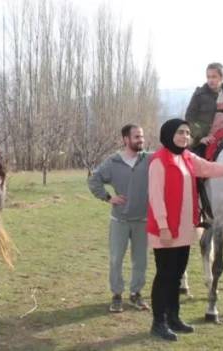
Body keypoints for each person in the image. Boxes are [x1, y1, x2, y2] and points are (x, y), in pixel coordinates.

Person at [146, 119, 223, 341]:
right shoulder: (158, 161)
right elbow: (156, 197)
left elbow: (214, 168)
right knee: (164, 276)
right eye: (180, 132)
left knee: (177, 274)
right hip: (166, 230)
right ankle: (158, 323)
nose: (184, 136)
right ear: (169, 134)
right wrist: (162, 227)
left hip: (184, 228)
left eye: (188, 133)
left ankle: (174, 318)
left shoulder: (188, 157)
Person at [88, 124, 151, 313]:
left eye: (142, 136)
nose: (141, 140)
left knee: (140, 261)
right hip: (120, 221)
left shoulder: (148, 159)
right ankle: (116, 296)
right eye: (137, 137)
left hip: (142, 220)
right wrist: (108, 198)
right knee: (116, 259)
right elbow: (94, 180)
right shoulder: (112, 162)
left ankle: (136, 295)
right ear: (126, 139)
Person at [184, 62, 223, 225]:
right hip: (203, 141)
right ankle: (195, 211)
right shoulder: (199, 95)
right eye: (208, 77)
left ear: (221, 78)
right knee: (193, 173)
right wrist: (199, 137)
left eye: (214, 77)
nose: (210, 80)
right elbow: (188, 118)